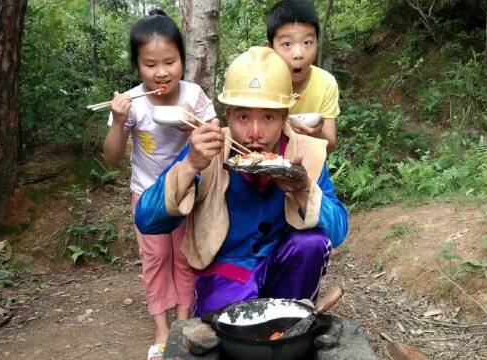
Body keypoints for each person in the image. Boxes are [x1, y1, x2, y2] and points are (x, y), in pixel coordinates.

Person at [135, 46, 348, 317]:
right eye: (243, 116)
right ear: (228, 115)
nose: (255, 133)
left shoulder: (305, 152)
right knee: (227, 333)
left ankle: (291, 316)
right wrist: (190, 166)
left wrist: (304, 190)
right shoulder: (208, 150)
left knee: (310, 244)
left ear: (284, 116)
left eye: (268, 117)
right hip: (226, 269)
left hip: (282, 264)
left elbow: (338, 230)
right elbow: (147, 220)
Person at [102, 9, 216, 359]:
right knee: (155, 259)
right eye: (150, 64)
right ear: (138, 65)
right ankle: (161, 328)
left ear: (182, 58)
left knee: (184, 257)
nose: (162, 72)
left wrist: (196, 129)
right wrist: (118, 122)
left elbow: (215, 138)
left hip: (185, 193)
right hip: (147, 194)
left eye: (170, 61)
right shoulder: (132, 103)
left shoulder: (193, 96)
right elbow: (111, 157)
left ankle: (182, 323)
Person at [266, 0, 341, 152]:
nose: (299, 54)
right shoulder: (262, 82)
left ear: (317, 43)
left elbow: (331, 144)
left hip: (308, 164)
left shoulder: (326, 83)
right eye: (287, 44)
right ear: (270, 48)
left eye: (307, 42)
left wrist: (318, 134)